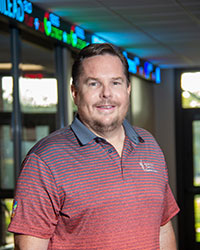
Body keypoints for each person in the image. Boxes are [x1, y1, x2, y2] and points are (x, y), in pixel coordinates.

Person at [8, 43, 179, 250]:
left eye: (115, 83)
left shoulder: (149, 145)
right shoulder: (44, 160)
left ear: (127, 89)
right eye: (93, 84)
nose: (106, 93)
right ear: (75, 92)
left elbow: (162, 227)